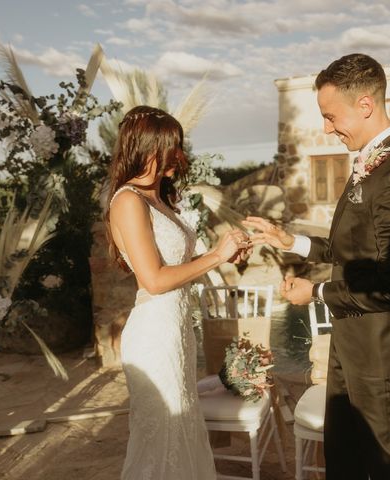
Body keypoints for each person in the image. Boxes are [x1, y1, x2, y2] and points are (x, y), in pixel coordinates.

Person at [244, 53, 390, 479]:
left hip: (381, 352)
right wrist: (288, 240)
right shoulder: (370, 165)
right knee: (343, 456)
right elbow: (347, 247)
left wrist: (314, 293)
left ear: (365, 105)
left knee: (388, 463)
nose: (327, 128)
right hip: (350, 344)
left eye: (331, 117)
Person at [106, 105, 250, 479]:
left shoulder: (158, 199)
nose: (179, 156)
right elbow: (153, 280)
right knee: (160, 438)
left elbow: (176, 267)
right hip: (154, 334)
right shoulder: (127, 201)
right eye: (171, 148)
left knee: (181, 427)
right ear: (146, 148)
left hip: (176, 330)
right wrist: (217, 256)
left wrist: (224, 254)